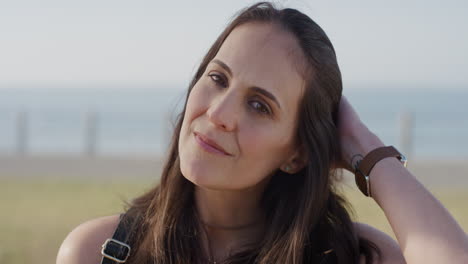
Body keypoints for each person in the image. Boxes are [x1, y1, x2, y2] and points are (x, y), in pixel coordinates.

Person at [56, 2, 468, 264]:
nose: (218, 113)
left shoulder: (355, 256)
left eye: (259, 105)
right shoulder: (98, 252)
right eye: (217, 78)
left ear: (297, 154)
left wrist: (367, 149)